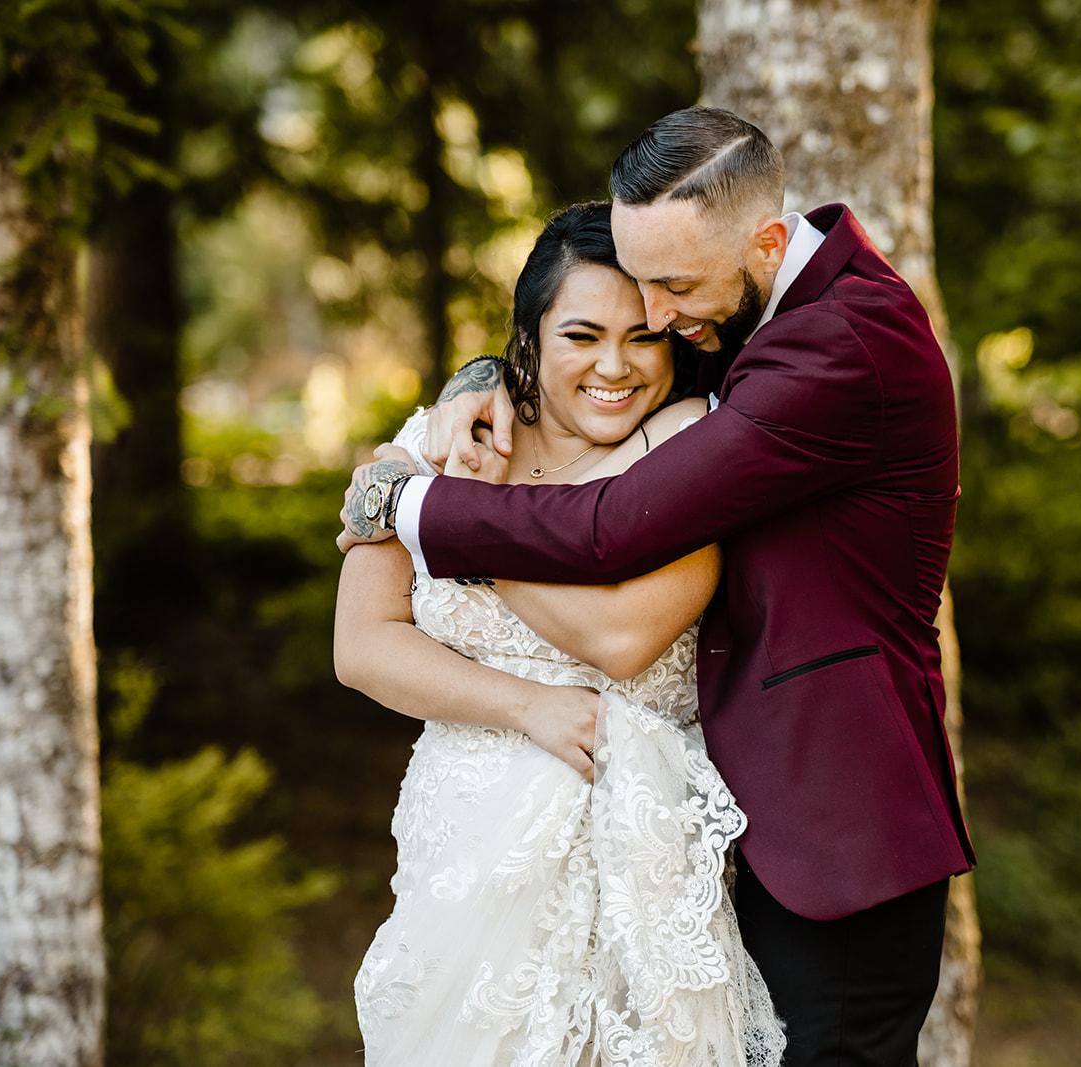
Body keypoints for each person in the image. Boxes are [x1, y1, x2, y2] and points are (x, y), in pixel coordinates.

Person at [340, 107, 975, 1066]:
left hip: (839, 821)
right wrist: (481, 378)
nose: (664, 320)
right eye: (645, 287)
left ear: (763, 241)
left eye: (671, 290)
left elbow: (614, 525)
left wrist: (418, 504)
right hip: (731, 831)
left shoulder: (841, 344)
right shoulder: (749, 301)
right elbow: (579, 352)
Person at [334, 201, 785, 1066]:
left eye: (643, 338)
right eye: (581, 334)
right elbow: (362, 646)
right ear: (530, 336)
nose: (614, 366)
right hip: (465, 858)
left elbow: (625, 640)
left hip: (638, 873)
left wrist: (448, 525)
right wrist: (527, 706)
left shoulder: (696, 459)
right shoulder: (439, 441)